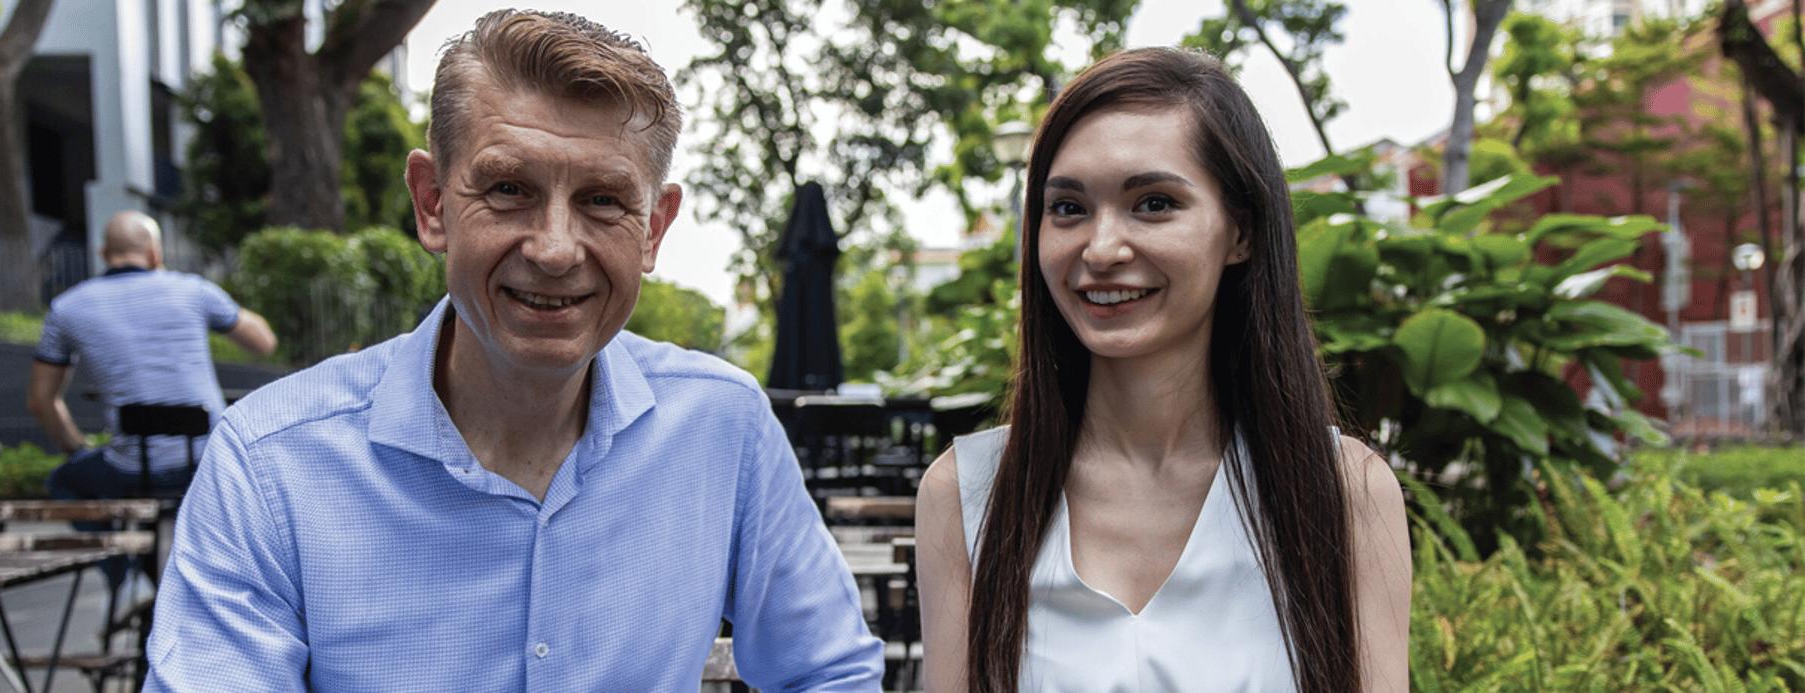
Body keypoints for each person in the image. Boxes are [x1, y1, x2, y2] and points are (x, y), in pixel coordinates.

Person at [143, 10, 883, 691]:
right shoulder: (271, 462)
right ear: (432, 202)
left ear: (653, 227)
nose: (556, 249)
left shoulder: (725, 427)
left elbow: (830, 673)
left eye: (602, 200)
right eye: (507, 188)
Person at [914, 48, 1411, 693]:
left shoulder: (1344, 492)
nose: (1101, 248)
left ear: (1241, 233)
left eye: (1153, 203)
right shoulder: (966, 495)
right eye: (1067, 208)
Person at [29, 209, 276, 588]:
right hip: (209, 462)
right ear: (155, 254)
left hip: (132, 471)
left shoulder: (66, 308)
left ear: (103, 252)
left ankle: (127, 574)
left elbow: (41, 402)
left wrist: (76, 448)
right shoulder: (193, 290)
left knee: (66, 480)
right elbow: (264, 343)